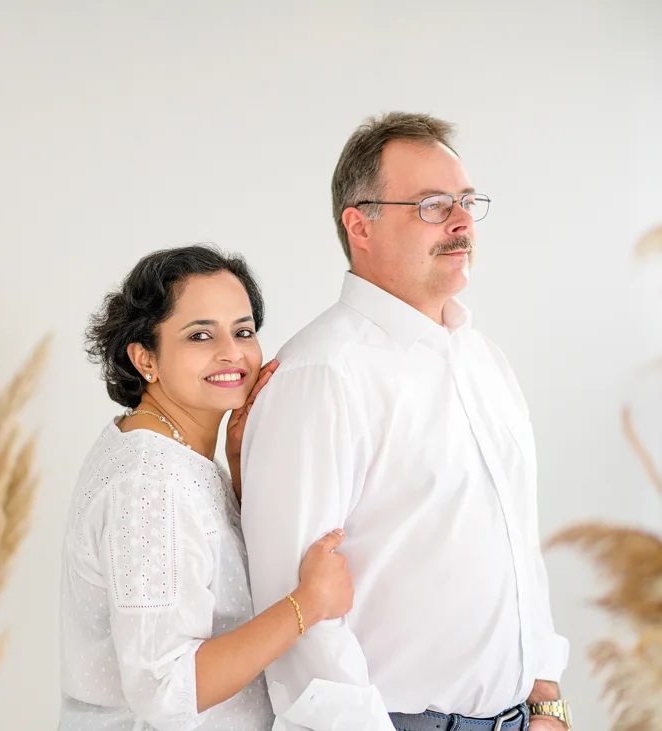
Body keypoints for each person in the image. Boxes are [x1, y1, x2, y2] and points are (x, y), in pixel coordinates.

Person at [239, 112, 572, 731]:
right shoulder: (322, 375)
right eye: (432, 205)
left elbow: (518, 548)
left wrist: (546, 699)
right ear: (359, 226)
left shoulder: (485, 360)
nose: (462, 221)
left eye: (467, 201)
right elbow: (297, 622)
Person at [58, 245, 354, 731]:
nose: (232, 353)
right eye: (200, 335)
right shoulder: (149, 485)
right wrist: (307, 604)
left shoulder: (170, 451)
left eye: (243, 331)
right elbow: (165, 689)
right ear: (145, 358)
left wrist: (237, 466)